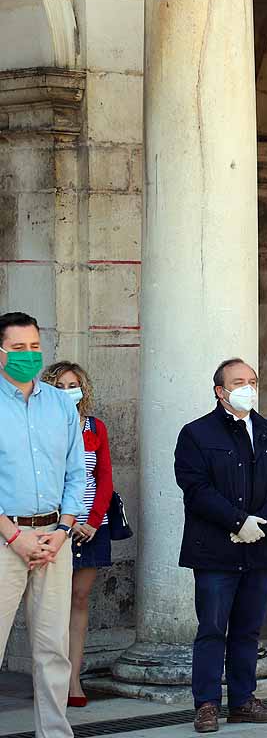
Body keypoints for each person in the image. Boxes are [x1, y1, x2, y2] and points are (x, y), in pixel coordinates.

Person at [176, 358, 267, 733]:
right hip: (215, 549)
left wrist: (261, 522)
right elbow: (195, 488)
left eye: (252, 381)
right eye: (238, 381)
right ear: (220, 391)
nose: (247, 387)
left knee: (248, 629)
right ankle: (208, 704)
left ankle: (243, 700)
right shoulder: (197, 434)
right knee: (213, 628)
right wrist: (237, 521)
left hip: (258, 546)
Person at [0, 312, 85, 738]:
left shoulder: (59, 403)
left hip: (55, 538)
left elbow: (76, 473)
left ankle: (54, 732)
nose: (28, 355)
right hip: (4, 538)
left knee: (53, 648)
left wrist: (63, 530)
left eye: (34, 347)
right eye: (18, 348)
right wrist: (14, 536)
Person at [42, 361, 114, 709]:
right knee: (51, 605)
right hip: (55, 529)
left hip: (89, 529)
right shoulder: (41, 426)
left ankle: (73, 678)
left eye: (75, 384)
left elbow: (104, 478)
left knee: (80, 599)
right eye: (61, 384)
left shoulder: (95, 427)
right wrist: (64, 523)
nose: (70, 389)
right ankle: (50, 678)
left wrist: (95, 520)